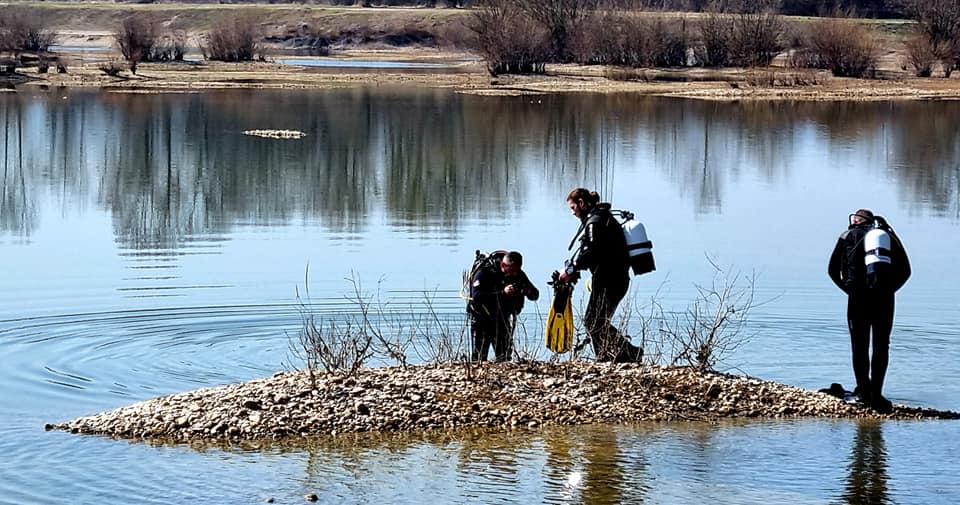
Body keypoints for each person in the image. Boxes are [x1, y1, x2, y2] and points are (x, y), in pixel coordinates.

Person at [828, 209, 911, 413]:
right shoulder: (889, 236)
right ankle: (877, 393)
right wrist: (890, 290)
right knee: (881, 345)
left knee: (859, 345)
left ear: (856, 221)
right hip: (884, 298)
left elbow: (832, 270)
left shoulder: (847, 235)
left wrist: (849, 290)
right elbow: (906, 271)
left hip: (857, 297)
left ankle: (864, 393)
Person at [558, 188, 642, 363]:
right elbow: (598, 253)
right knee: (596, 321)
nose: (573, 213)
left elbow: (592, 252)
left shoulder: (595, 222)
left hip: (610, 281)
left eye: (573, 208)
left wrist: (572, 270)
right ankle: (617, 355)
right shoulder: (602, 218)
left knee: (593, 321)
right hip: (613, 280)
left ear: (581, 203)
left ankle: (622, 353)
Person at [468, 251, 540, 362]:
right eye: (511, 271)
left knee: (504, 358)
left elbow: (535, 295)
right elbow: (476, 297)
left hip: (501, 320)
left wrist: (526, 290)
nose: (514, 274)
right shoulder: (485, 272)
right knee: (478, 358)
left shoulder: (518, 274)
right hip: (481, 319)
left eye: (516, 271)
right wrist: (503, 293)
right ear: (503, 265)